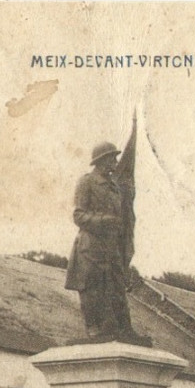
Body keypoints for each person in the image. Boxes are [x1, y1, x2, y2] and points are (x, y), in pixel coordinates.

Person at [65, 137, 151, 345]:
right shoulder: (86, 182)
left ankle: (124, 328)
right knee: (92, 287)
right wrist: (104, 221)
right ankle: (94, 328)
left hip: (110, 246)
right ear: (101, 161)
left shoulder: (114, 187)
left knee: (116, 285)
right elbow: (78, 216)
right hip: (91, 246)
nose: (115, 163)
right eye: (112, 159)